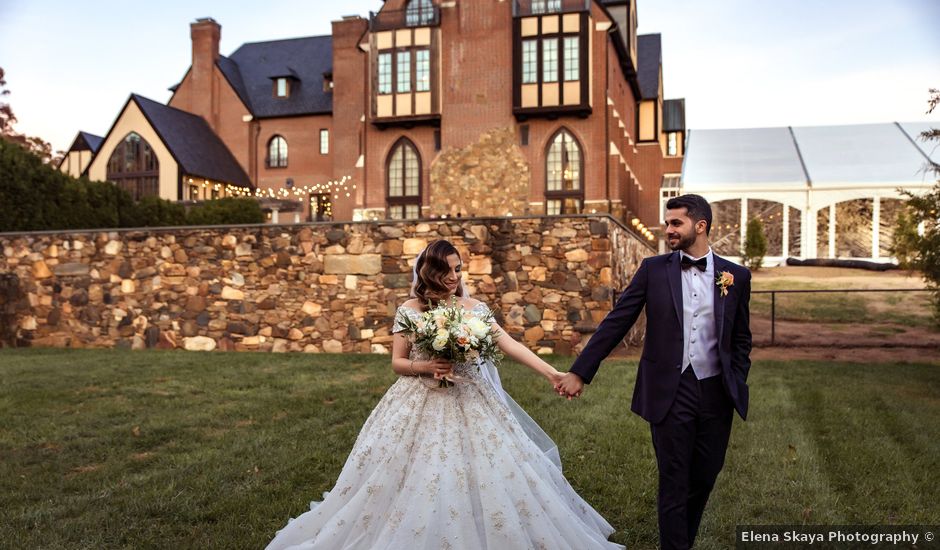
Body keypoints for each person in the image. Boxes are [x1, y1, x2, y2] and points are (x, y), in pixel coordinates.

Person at [267, 239, 624, 550]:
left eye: (458, 269)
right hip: (418, 401)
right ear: (429, 272)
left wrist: (552, 373)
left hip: (471, 399)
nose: (455, 277)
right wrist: (428, 367)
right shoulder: (410, 310)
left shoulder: (474, 309)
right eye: (447, 270)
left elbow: (509, 344)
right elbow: (397, 362)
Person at [556, 194, 752, 550]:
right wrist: (580, 372)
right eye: (667, 223)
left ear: (700, 226)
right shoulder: (654, 270)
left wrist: (736, 377)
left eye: (676, 223)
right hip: (669, 390)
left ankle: (681, 541)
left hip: (715, 393)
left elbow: (740, 338)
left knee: (705, 476)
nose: (668, 230)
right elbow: (617, 321)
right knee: (674, 479)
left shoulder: (735, 276)